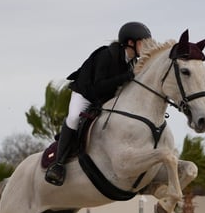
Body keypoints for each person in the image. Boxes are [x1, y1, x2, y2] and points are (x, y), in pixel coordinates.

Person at [45, 21, 152, 186]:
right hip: (86, 93)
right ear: (130, 42)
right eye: (142, 43)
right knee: (73, 118)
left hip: (104, 98)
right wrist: (126, 77)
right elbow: (98, 86)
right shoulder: (107, 55)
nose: (145, 47)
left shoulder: (132, 63)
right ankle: (58, 165)